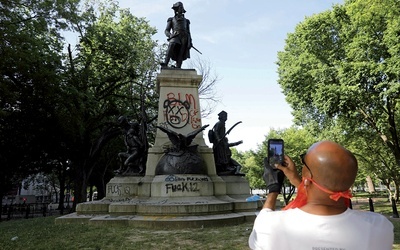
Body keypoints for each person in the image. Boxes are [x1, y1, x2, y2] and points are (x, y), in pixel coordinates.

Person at [249, 141, 394, 250]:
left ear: (307, 179)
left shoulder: (271, 225)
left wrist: (273, 188)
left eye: (304, 162)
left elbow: (265, 215)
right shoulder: (379, 227)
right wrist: (300, 181)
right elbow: (324, 195)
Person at [211, 111, 243, 175]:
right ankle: (225, 167)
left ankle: (227, 167)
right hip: (219, 143)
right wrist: (218, 139)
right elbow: (216, 132)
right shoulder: (220, 123)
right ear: (222, 117)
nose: (226, 117)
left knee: (224, 154)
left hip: (221, 143)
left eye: (226, 116)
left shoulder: (222, 124)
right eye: (225, 116)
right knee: (221, 156)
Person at [161, 2, 192, 68]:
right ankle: (165, 63)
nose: (181, 9)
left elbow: (188, 32)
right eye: (179, 7)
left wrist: (190, 42)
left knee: (181, 52)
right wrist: (170, 35)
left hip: (184, 37)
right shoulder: (171, 19)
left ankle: (178, 66)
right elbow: (166, 30)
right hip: (175, 35)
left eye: (181, 7)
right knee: (172, 44)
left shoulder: (186, 21)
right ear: (176, 9)